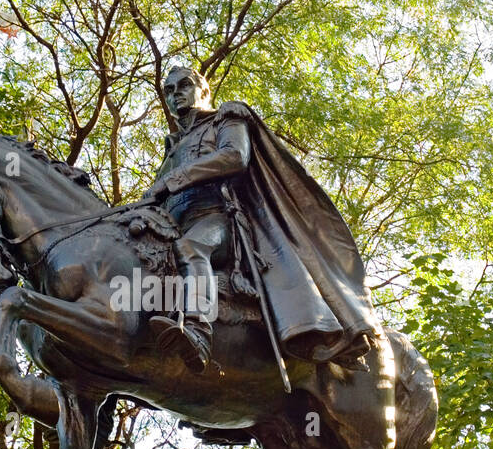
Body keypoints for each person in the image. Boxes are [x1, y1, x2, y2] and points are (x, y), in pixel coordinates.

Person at [143, 65, 380, 374]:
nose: (176, 95)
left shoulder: (227, 118)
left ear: (204, 91)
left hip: (217, 221)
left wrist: (173, 179)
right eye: (169, 92)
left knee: (192, 248)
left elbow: (234, 157)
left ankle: (198, 332)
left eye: (184, 86)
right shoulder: (173, 149)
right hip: (173, 226)